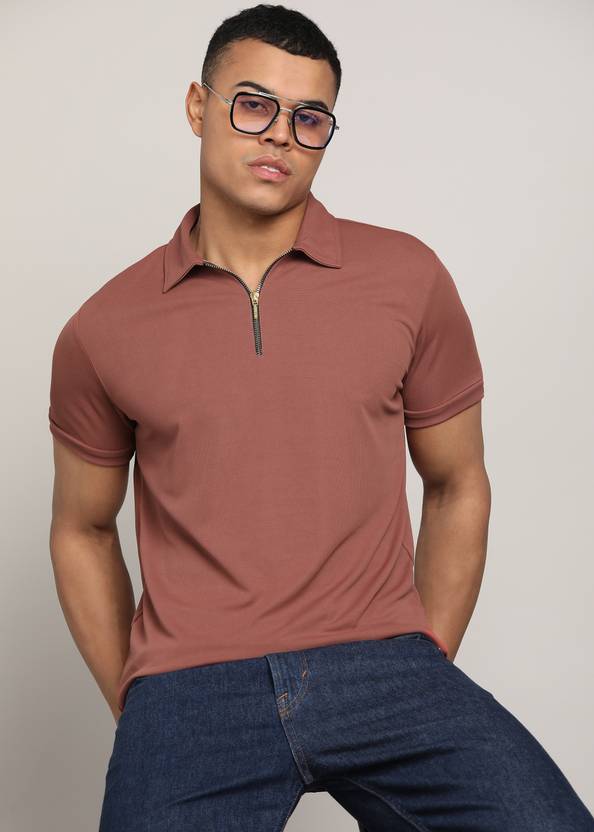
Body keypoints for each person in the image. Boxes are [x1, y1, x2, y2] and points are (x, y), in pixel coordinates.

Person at [48, 4, 594, 830]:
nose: (280, 134)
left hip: (383, 664)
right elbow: (81, 529)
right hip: (192, 688)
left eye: (309, 118)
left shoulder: (407, 277)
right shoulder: (104, 326)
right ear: (198, 106)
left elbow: (457, 481)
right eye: (253, 104)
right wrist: (141, 695)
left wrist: (425, 654)